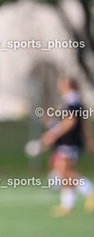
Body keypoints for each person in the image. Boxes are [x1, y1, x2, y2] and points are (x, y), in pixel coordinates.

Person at [37, 77, 94, 217]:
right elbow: (83, 124)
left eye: (62, 84)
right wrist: (88, 140)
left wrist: (52, 134)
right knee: (65, 174)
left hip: (69, 142)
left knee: (64, 173)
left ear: (68, 86)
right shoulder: (74, 102)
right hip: (72, 142)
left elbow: (71, 122)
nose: (59, 86)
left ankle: (90, 191)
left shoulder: (72, 102)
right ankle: (67, 206)